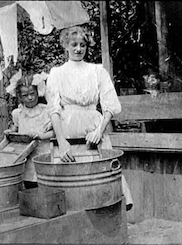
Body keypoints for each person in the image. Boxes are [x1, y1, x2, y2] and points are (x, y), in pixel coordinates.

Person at [45, 26, 133, 210]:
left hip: (93, 123)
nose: (78, 49)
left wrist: (99, 130)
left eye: (82, 45)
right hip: (67, 124)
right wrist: (61, 141)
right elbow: (53, 109)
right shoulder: (57, 73)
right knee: (72, 175)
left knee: (104, 167)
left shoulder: (97, 70)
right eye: (74, 44)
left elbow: (110, 104)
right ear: (65, 46)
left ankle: (115, 204)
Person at [4, 71, 54, 189]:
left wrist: (41, 136)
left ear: (38, 92)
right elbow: (15, 130)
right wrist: (9, 133)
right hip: (27, 158)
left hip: (43, 155)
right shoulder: (18, 113)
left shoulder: (46, 111)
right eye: (25, 95)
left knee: (45, 184)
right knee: (29, 184)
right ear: (20, 97)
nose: (30, 98)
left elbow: (55, 132)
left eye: (32, 93)